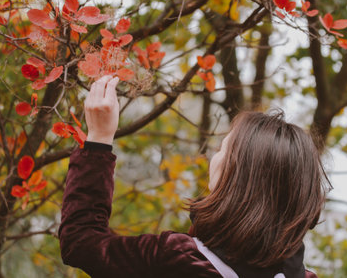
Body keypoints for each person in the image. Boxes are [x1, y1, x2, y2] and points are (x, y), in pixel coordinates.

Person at [59, 75, 331, 278]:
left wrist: (99, 138)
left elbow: (81, 241)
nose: (214, 157)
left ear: (239, 176)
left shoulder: (179, 260)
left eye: (223, 149)